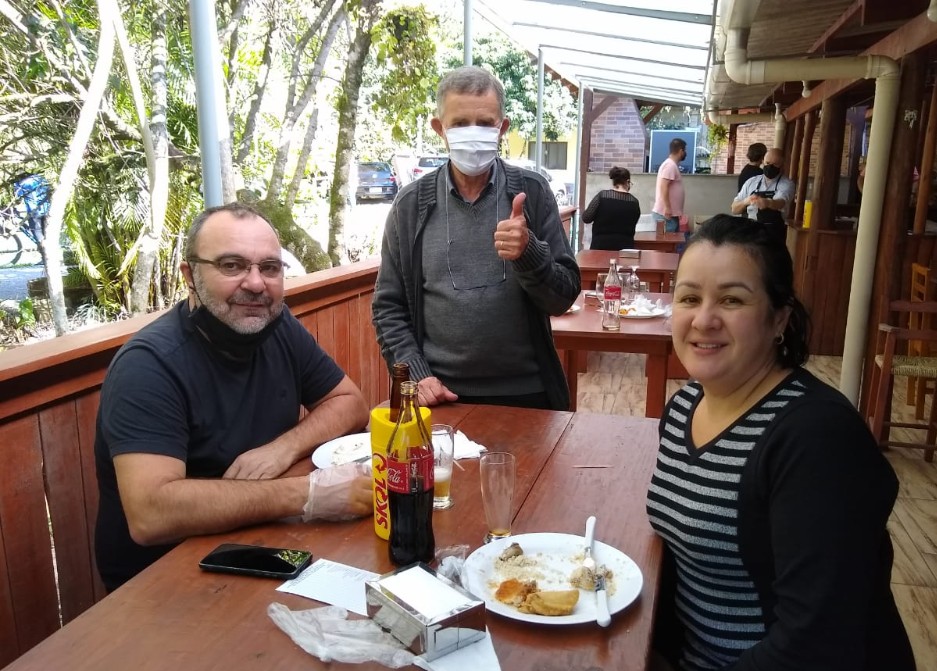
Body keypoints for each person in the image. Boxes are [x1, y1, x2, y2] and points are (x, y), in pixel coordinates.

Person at [640, 214, 915, 671]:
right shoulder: (684, 409)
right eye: (689, 297)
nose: (704, 320)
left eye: (733, 300)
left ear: (780, 318)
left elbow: (820, 643)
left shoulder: (815, 439)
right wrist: (663, 661)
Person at [94, 203, 371, 591]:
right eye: (232, 265)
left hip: (261, 544)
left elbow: (350, 402)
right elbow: (150, 514)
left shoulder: (276, 325)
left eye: (270, 268)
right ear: (190, 275)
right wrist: (307, 494)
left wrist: (284, 447)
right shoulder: (148, 365)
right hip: (165, 580)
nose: (256, 284)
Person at [371, 66, 580, 411]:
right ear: (440, 129)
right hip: (440, 395)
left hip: (527, 395)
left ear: (503, 127)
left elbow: (563, 296)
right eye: (460, 124)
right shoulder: (411, 205)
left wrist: (529, 252)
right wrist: (418, 376)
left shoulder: (532, 192)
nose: (474, 133)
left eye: (485, 124)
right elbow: (387, 307)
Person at [730, 148, 795, 247]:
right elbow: (734, 209)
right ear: (763, 162)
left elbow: (781, 202)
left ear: (782, 166)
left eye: (775, 164)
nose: (770, 167)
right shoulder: (751, 182)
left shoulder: (786, 184)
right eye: (767, 163)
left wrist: (768, 203)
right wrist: (745, 202)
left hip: (773, 235)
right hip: (749, 232)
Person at [582, 166, 641, 250]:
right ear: (627, 182)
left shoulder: (602, 196)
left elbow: (586, 218)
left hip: (599, 248)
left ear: (614, 182)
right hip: (624, 250)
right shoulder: (634, 202)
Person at [652, 139, 686, 233]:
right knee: (666, 244)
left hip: (669, 215)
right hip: (665, 215)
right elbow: (664, 186)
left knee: (671, 245)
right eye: (685, 150)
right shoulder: (670, 165)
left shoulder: (671, 165)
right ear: (680, 151)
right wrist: (667, 207)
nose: (685, 153)